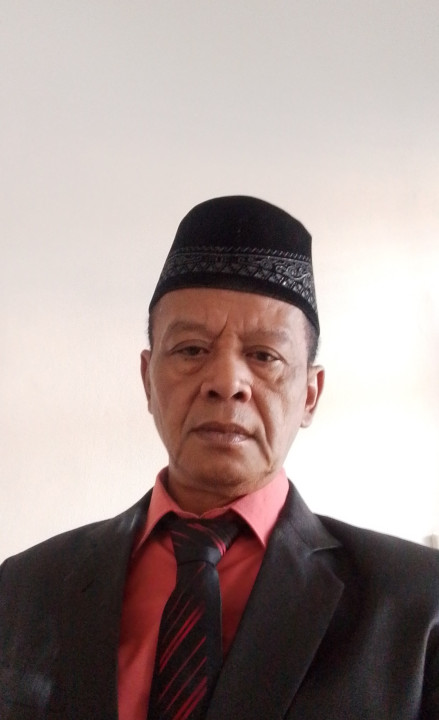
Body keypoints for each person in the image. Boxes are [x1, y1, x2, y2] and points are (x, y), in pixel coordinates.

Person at [1, 195, 438, 720]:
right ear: (147, 379)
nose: (227, 382)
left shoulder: (418, 607)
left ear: (310, 394)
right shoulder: (24, 589)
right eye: (191, 349)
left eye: (264, 356)